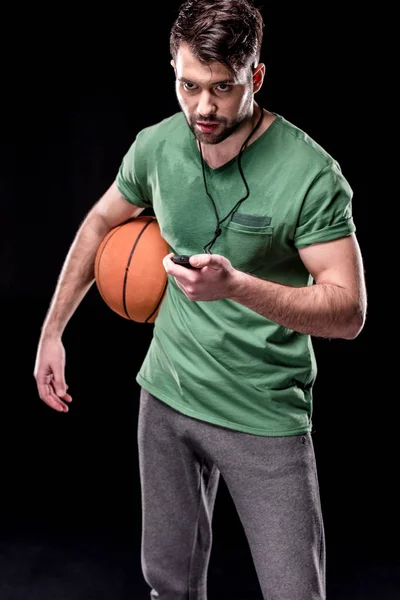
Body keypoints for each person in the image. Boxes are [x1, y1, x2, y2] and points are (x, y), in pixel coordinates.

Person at [33, 0, 367, 598]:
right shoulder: (157, 146)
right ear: (173, 69)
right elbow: (98, 225)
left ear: (256, 79)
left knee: (296, 593)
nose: (203, 107)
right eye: (189, 85)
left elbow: (347, 312)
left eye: (222, 88)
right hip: (166, 396)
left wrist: (235, 285)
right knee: (169, 586)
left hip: (263, 414)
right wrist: (52, 332)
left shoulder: (312, 174)